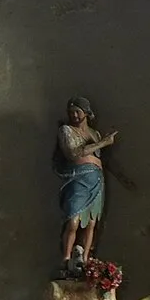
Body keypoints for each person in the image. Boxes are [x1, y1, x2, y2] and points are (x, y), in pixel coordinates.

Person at [55, 97, 117, 273]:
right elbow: (73, 153)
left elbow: (100, 157)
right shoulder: (66, 131)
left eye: (78, 111)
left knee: (91, 222)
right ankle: (66, 259)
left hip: (96, 180)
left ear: (86, 113)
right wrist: (103, 143)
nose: (74, 115)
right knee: (73, 221)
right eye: (71, 112)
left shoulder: (94, 133)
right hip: (77, 179)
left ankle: (87, 261)